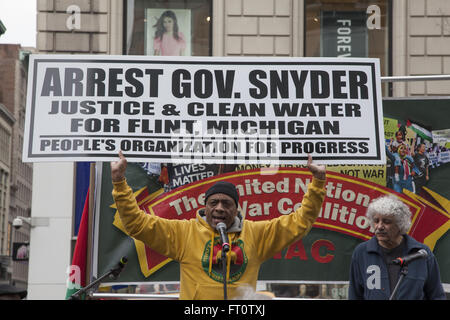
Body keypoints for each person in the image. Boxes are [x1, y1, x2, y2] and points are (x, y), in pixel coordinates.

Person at [111, 151, 326, 300]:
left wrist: (318, 183)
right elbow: (136, 224)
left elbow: (300, 222)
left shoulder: (257, 234)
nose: (220, 208)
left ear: (236, 209)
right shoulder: (184, 233)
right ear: (205, 206)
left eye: (227, 203)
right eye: (214, 203)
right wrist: (119, 182)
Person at [348, 195, 445, 300]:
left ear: (400, 224)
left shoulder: (421, 253)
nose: (379, 227)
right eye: (376, 221)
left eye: (386, 221)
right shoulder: (361, 252)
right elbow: (355, 295)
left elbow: (437, 295)